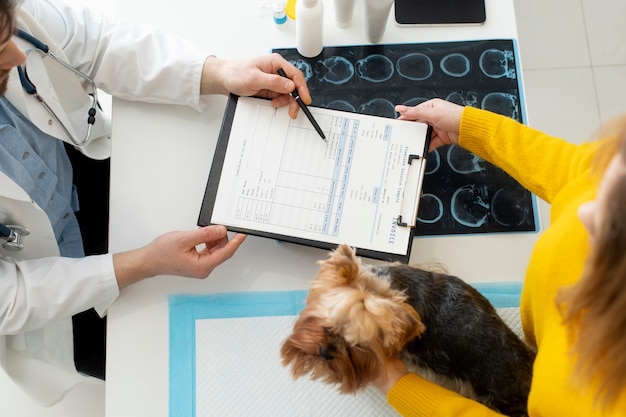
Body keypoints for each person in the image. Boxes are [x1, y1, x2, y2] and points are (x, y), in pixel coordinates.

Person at [0, 0, 312, 405]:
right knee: (173, 371)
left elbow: (96, 44)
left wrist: (218, 72)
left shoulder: (9, 15)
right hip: (48, 293)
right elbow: (10, 297)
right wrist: (145, 263)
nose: (20, 54)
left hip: (83, 172)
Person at [370, 99, 626, 416]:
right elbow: (577, 171)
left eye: (614, 221)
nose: (584, 210)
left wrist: (400, 386)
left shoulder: (598, 400)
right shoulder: (602, 186)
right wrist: (470, 125)